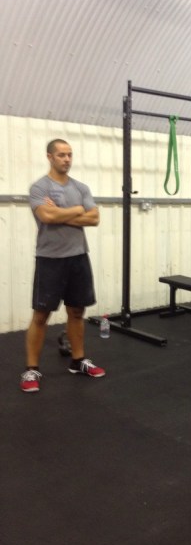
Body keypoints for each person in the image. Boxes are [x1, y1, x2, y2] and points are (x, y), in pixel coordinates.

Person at [20, 139, 105, 392]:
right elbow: (46, 215)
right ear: (50, 157)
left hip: (78, 257)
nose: (67, 159)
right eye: (61, 155)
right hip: (50, 259)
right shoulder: (39, 187)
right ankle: (31, 369)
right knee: (41, 315)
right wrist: (78, 211)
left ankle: (78, 361)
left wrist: (62, 213)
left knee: (77, 311)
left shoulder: (81, 187)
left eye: (69, 155)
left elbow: (94, 218)